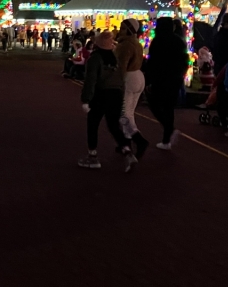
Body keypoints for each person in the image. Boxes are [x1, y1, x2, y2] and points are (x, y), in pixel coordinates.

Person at [79, 31, 135, 171]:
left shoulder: (95, 58)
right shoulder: (115, 58)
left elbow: (91, 80)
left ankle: (93, 156)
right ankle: (127, 151)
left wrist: (86, 100)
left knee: (93, 123)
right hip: (116, 94)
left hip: (101, 93)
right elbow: (120, 78)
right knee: (114, 125)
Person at [145, 17, 189, 150]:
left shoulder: (157, 41)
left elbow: (152, 62)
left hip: (160, 78)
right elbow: (184, 59)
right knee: (169, 107)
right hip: (175, 78)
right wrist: (181, 74)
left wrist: (149, 79)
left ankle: (169, 130)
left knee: (154, 104)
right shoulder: (178, 41)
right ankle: (166, 139)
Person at [115, 18, 150, 159]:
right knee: (129, 112)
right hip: (138, 76)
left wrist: (118, 82)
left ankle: (138, 140)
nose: (120, 30)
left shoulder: (125, 45)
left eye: (123, 28)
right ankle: (126, 141)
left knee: (123, 114)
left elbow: (121, 66)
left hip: (129, 78)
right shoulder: (137, 43)